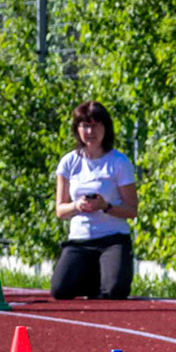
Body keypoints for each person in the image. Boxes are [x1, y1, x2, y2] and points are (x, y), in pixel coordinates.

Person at [51, 101, 139, 300]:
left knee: (115, 291)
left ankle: (109, 272)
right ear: (77, 129)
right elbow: (60, 211)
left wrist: (105, 206)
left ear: (105, 128)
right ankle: (90, 276)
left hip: (112, 239)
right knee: (60, 291)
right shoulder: (69, 162)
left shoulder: (119, 162)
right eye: (85, 126)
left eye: (95, 126)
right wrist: (77, 205)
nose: (90, 132)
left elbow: (132, 210)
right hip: (80, 240)